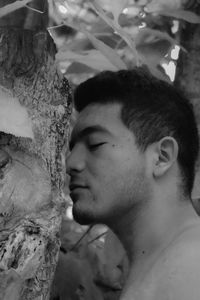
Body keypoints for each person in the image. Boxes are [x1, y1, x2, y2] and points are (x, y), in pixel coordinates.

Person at [66, 68, 200, 300]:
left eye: (95, 144)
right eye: (72, 148)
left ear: (162, 157)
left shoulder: (190, 264)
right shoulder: (165, 265)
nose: (72, 163)